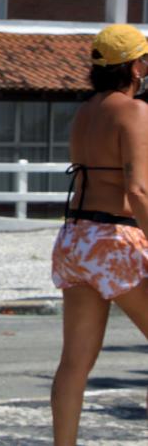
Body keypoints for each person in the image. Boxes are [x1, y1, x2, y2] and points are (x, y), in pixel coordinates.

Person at [51, 23, 148, 445]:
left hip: (75, 238)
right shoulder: (134, 111)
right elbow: (138, 189)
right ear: (134, 67)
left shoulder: (84, 112)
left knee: (74, 362)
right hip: (114, 238)